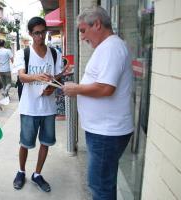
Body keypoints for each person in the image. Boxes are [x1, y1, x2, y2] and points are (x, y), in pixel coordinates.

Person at [62, 6, 133, 200]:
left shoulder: (112, 47)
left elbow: (105, 88)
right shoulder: (108, 46)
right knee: (103, 183)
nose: (82, 37)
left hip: (107, 133)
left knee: (100, 186)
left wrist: (76, 89)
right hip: (104, 132)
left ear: (98, 24)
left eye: (83, 30)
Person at [12, 17, 62, 192]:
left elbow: (57, 77)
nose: (40, 36)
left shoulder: (54, 53)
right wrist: (36, 77)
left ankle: (37, 174)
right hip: (29, 107)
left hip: (48, 108)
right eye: (36, 33)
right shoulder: (23, 54)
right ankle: (21, 171)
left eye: (43, 32)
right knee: (25, 143)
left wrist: (52, 88)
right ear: (30, 34)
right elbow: (21, 76)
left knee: (46, 142)